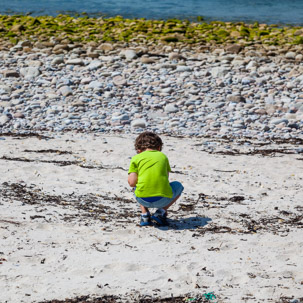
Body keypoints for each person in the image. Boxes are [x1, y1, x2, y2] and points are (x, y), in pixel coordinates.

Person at [128, 131, 184, 226]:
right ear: (159, 148)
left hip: (143, 199)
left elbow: (132, 183)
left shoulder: (136, 158)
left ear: (139, 150)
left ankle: (145, 214)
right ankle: (161, 212)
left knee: (137, 185)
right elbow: (165, 178)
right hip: (163, 199)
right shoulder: (163, 156)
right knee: (178, 186)